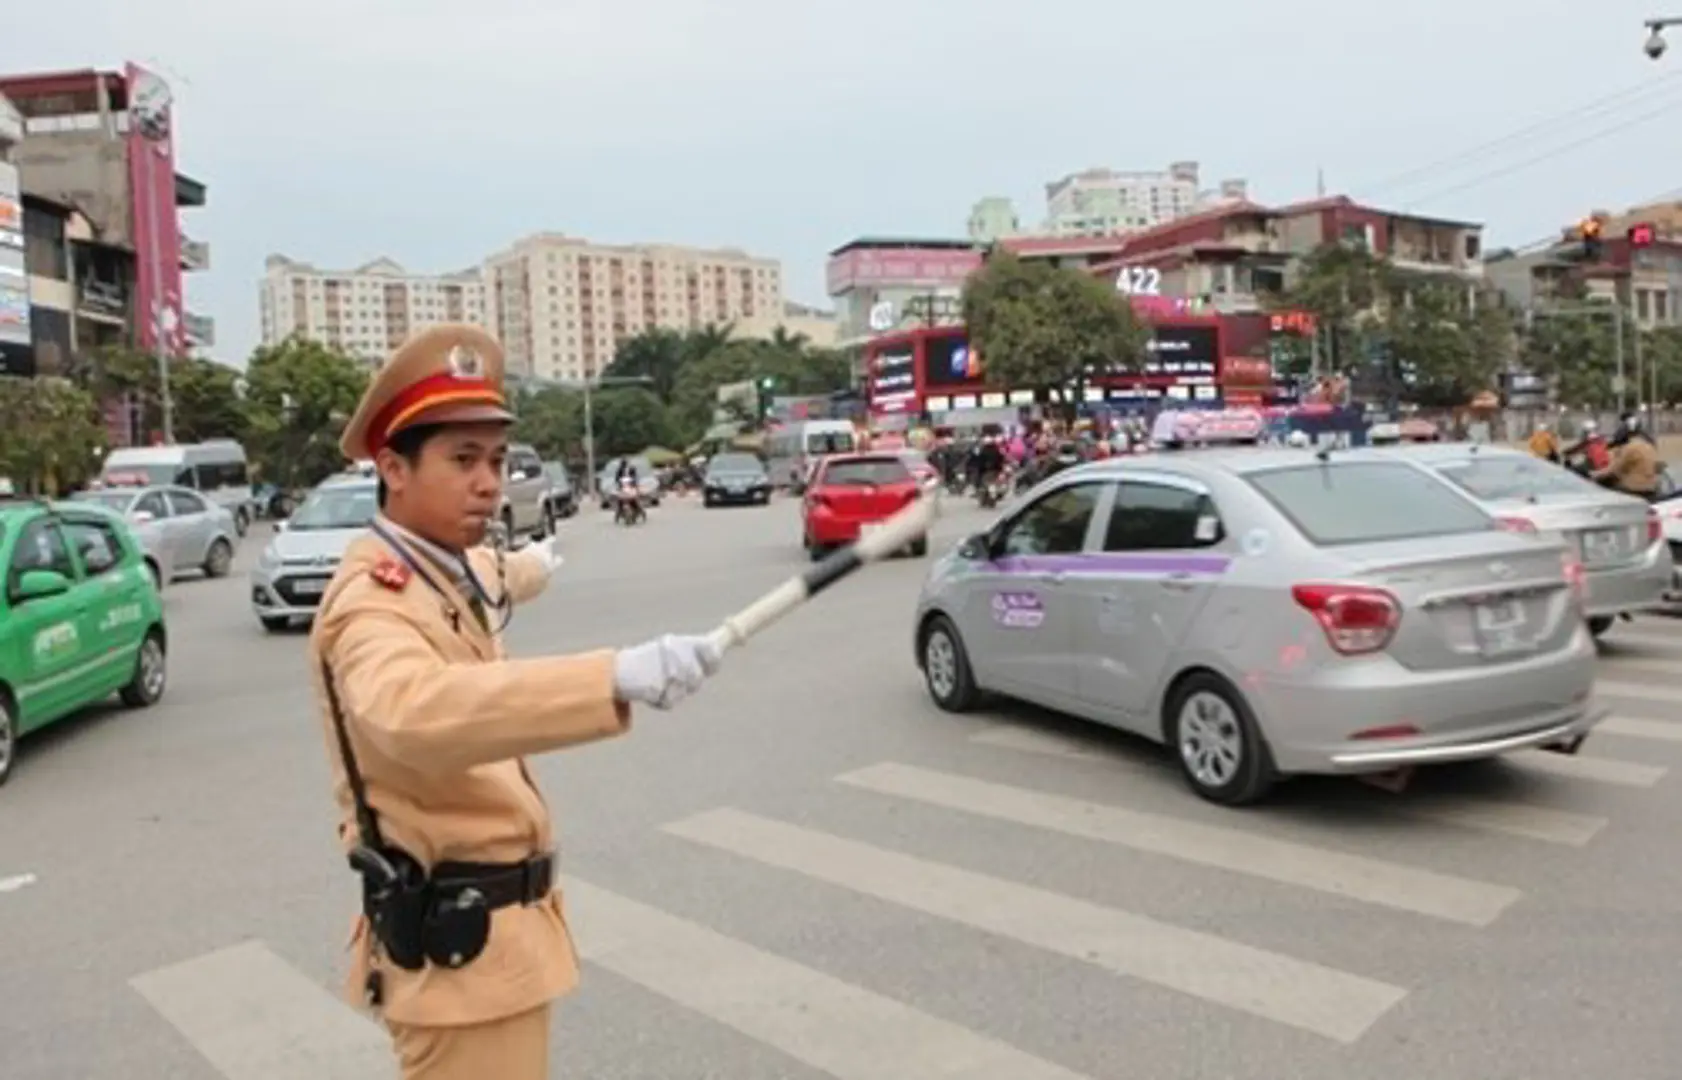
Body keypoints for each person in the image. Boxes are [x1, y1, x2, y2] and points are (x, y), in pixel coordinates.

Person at [306, 323, 723, 1079]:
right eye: (463, 460)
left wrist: (533, 565)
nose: (490, 483)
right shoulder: (370, 603)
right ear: (393, 468)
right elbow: (411, 709)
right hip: (456, 956)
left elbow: (496, 574)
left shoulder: (444, 565)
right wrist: (614, 675)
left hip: (496, 945)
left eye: (496, 460)